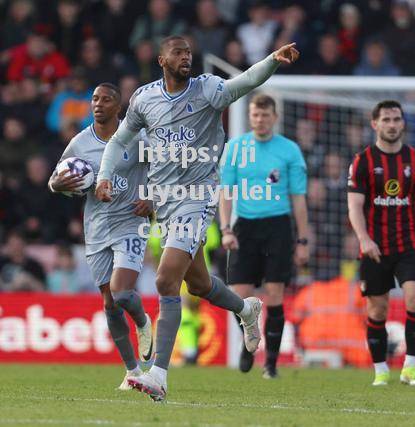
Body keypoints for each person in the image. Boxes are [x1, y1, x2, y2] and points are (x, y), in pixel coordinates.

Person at [95, 36, 299, 401]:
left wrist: (272, 59)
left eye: (189, 53)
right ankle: (246, 309)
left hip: (198, 197)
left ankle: (158, 374)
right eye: (178, 53)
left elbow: (247, 81)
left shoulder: (208, 90)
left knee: (164, 279)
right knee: (201, 286)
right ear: (162, 60)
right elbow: (118, 141)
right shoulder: (144, 99)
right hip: (166, 203)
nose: (186, 57)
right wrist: (104, 175)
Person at [48, 82, 154, 390]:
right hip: (96, 229)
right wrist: (59, 185)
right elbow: (56, 179)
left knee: (122, 293)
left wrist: (153, 200)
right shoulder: (80, 143)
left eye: (106, 99)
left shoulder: (137, 138)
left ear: (118, 107)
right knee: (109, 304)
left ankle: (144, 322)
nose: (98, 104)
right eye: (95, 99)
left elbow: (165, 171)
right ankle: (132, 370)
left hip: (131, 223)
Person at [347, 100, 415, 386]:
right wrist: (364, 239)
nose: (392, 124)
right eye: (386, 119)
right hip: (375, 247)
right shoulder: (363, 161)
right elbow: (354, 206)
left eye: (396, 119)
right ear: (375, 124)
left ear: (403, 123)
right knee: (378, 310)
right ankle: (381, 370)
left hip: (409, 243)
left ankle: (410, 368)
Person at [219, 93, 309, 379]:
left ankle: (270, 364)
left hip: (278, 227)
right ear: (250, 117)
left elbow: (298, 197)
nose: (260, 120)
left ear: (275, 117)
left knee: (274, 294)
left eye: (265, 115)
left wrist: (303, 239)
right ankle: (250, 337)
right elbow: (226, 193)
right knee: (239, 296)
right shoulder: (234, 148)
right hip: (244, 226)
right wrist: (225, 229)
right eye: (256, 115)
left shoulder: (289, 151)